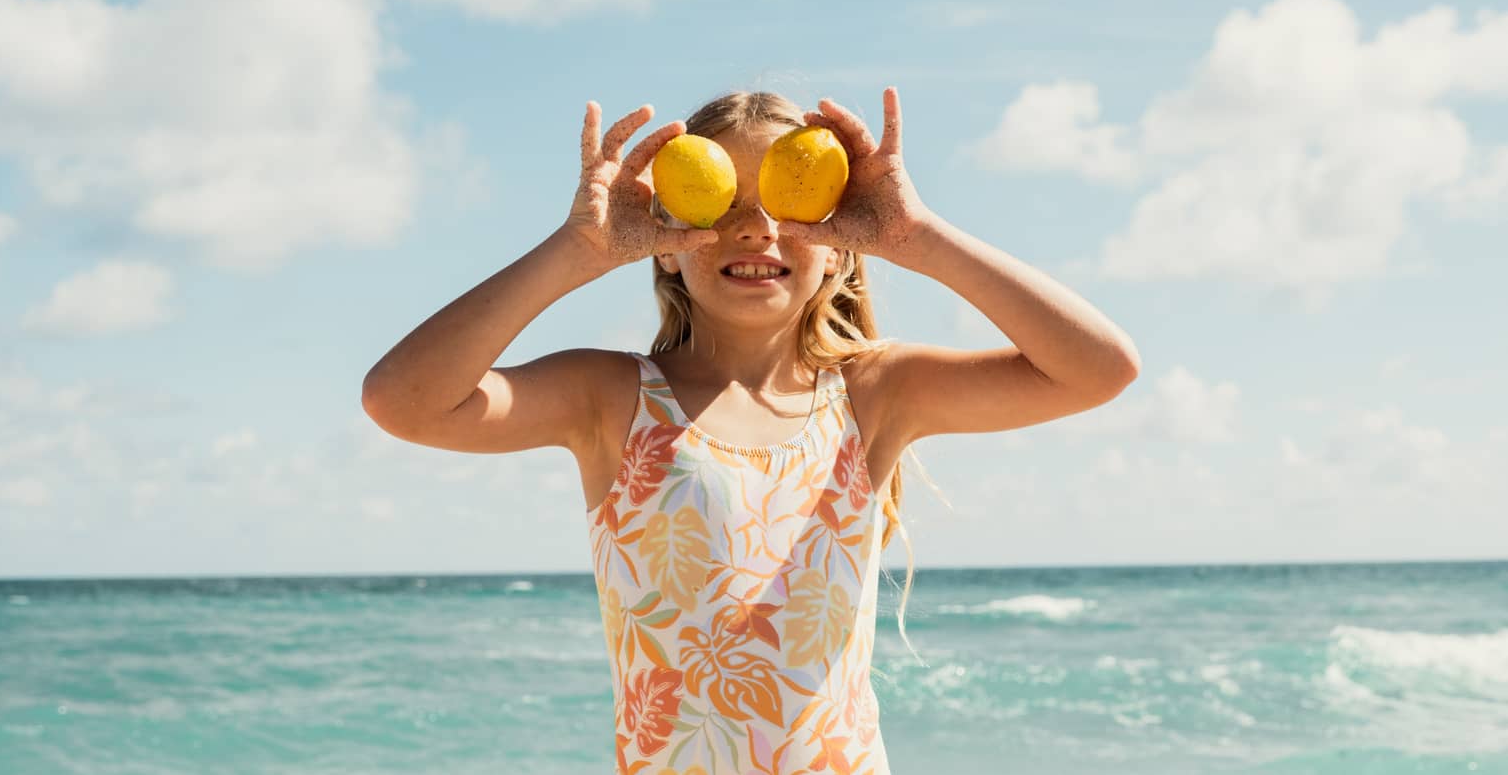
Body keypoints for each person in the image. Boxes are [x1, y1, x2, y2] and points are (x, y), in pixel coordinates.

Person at [361, 86, 1140, 774]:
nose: (755, 228)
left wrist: (919, 238)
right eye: (722, 203)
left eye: (790, 206)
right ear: (667, 251)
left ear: (837, 255)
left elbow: (1099, 368)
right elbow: (405, 400)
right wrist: (577, 253)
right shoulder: (610, 398)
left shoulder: (873, 393)